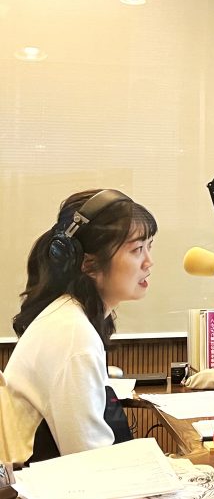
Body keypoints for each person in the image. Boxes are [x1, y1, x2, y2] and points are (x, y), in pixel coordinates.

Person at [2, 189, 156, 464]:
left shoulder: (70, 317)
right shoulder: (73, 335)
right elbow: (90, 465)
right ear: (88, 263)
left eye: (149, 247)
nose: (148, 262)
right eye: (136, 250)